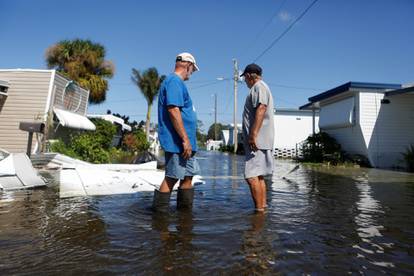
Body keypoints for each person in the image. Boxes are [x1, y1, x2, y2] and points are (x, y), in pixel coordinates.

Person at [152, 52, 200, 212]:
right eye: (193, 70)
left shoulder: (178, 83)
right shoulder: (174, 81)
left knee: (188, 177)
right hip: (177, 142)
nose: (192, 73)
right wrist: (184, 139)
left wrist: (189, 141)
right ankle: (160, 218)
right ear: (188, 65)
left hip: (186, 143)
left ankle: (184, 217)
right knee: (172, 177)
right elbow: (173, 110)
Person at [241, 63, 275, 212]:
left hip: (257, 141)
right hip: (261, 141)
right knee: (259, 176)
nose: (244, 81)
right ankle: (263, 208)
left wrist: (252, 135)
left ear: (248, 76)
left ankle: (259, 212)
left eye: (245, 78)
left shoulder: (258, 87)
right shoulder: (263, 87)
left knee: (251, 176)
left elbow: (261, 108)